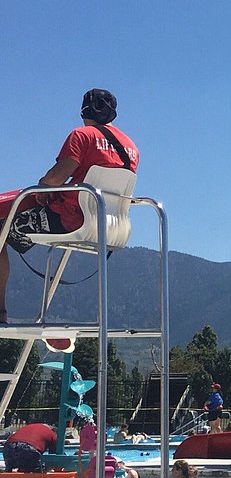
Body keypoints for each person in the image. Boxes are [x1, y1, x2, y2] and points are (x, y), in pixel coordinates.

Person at [0, 89, 139, 323]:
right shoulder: (131, 148)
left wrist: (43, 186)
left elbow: (56, 178)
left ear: (84, 111)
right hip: (111, 226)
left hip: (70, 219)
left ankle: (0, 311)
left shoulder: (82, 135)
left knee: (1, 229)